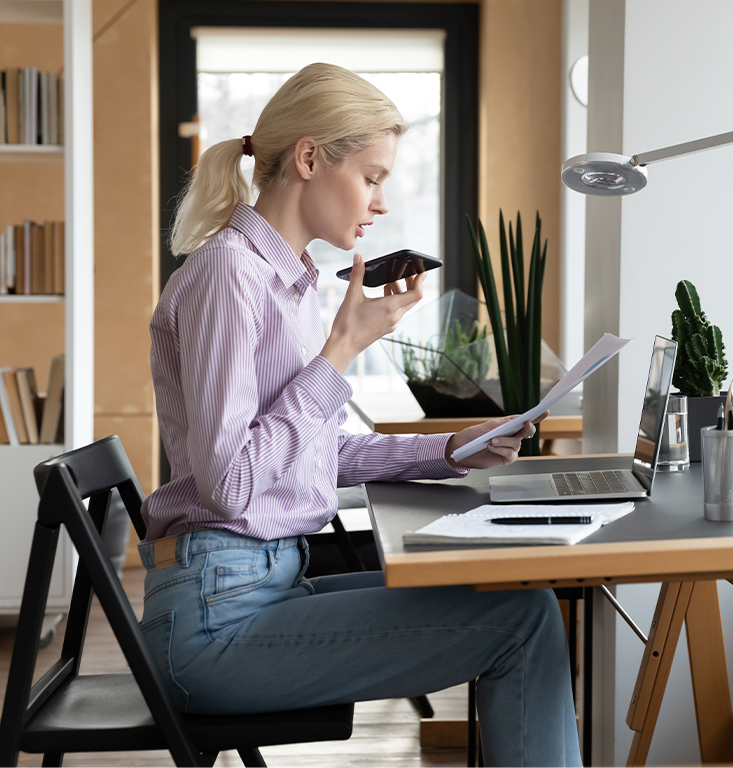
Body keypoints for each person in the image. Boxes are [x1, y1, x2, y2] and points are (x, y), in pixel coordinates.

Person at [139, 62, 580, 767]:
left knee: (513, 593)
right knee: (522, 622)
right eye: (372, 177)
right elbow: (229, 484)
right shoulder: (230, 275)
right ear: (310, 159)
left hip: (262, 585)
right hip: (215, 625)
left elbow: (313, 450)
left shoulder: (290, 283)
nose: (379, 202)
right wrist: (340, 350)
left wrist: (452, 450)